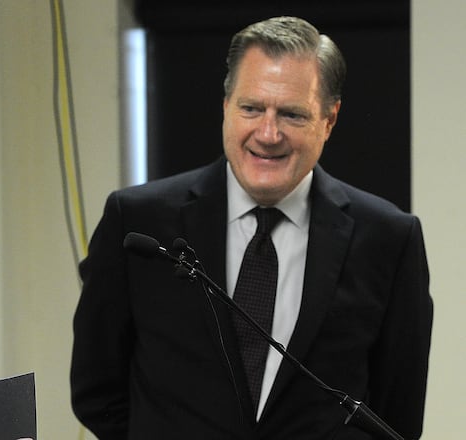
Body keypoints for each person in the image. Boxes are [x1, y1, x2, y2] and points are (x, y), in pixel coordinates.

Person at [70, 16, 432, 439]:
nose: (268, 133)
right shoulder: (138, 222)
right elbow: (96, 390)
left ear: (329, 120)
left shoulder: (389, 238)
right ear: (226, 107)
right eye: (251, 108)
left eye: (292, 114)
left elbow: (394, 419)